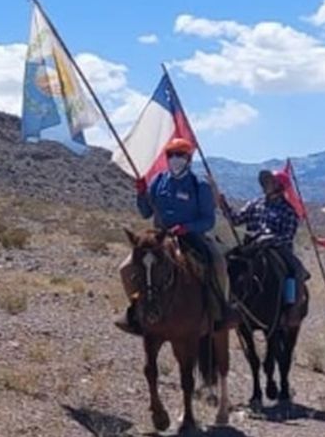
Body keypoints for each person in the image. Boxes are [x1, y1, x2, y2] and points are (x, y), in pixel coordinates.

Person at [116, 137, 236, 333]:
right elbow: (146, 212)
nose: (175, 159)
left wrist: (186, 227)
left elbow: (208, 220)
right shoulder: (159, 181)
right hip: (159, 238)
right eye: (171, 155)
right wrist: (141, 194)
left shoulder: (200, 185)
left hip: (191, 236)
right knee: (126, 267)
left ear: (188, 159)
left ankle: (221, 310)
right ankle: (136, 311)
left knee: (217, 261)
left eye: (180, 155)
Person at [218, 168, 307, 295]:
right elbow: (236, 220)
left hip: (278, 250)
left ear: (279, 186)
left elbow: (287, 236)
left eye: (269, 182)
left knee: (294, 271)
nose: (265, 185)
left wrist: (270, 239)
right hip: (252, 246)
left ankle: (291, 304)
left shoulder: (289, 211)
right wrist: (224, 205)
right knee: (229, 261)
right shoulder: (255, 204)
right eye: (264, 182)